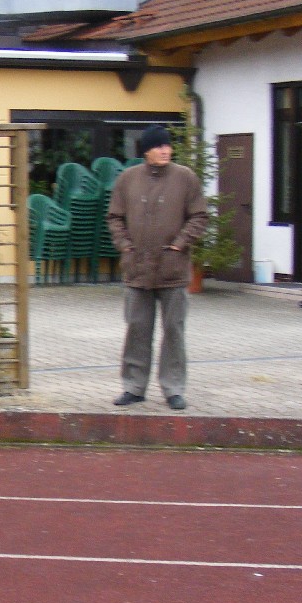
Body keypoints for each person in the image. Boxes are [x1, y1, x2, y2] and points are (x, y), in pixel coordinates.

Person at [106, 126, 209, 411]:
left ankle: (173, 388)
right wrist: (125, 246)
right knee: (137, 329)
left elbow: (199, 216)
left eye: (167, 145)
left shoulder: (185, 178)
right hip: (137, 269)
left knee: (174, 331)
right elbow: (114, 217)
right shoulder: (128, 179)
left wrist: (180, 244)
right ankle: (133, 387)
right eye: (158, 146)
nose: (165, 150)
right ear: (146, 151)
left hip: (172, 270)